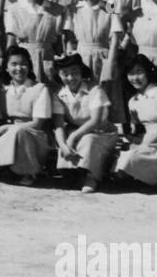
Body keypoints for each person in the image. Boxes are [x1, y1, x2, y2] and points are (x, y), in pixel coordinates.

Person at [0, 46, 55, 185]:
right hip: (6, 135)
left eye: (23, 64)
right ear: (6, 68)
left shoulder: (40, 89)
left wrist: (6, 128)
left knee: (19, 132)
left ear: (29, 66)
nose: (19, 68)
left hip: (34, 136)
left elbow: (38, 123)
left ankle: (27, 172)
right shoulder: (2, 91)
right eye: (14, 64)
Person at [51, 52, 120, 194]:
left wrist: (73, 137)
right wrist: (63, 145)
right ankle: (73, 172)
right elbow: (58, 125)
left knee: (89, 139)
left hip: (101, 133)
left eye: (75, 72)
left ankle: (92, 177)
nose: (71, 78)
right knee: (65, 140)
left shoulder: (95, 90)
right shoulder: (59, 94)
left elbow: (95, 120)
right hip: (76, 131)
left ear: (82, 71)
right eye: (65, 74)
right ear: (58, 74)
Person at [114, 54, 157, 188]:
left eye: (139, 72)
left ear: (148, 72)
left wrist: (142, 145)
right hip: (142, 144)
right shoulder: (133, 100)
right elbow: (137, 130)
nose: (135, 78)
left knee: (131, 158)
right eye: (131, 74)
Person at [3, 0, 63, 84]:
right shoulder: (14, 10)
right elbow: (11, 43)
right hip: (24, 63)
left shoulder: (56, 10)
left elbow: (59, 45)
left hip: (48, 62)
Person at [62, 0, 114, 86]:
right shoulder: (73, 9)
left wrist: (110, 64)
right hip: (81, 58)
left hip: (104, 59)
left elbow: (115, 39)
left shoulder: (110, 9)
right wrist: (71, 63)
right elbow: (69, 38)